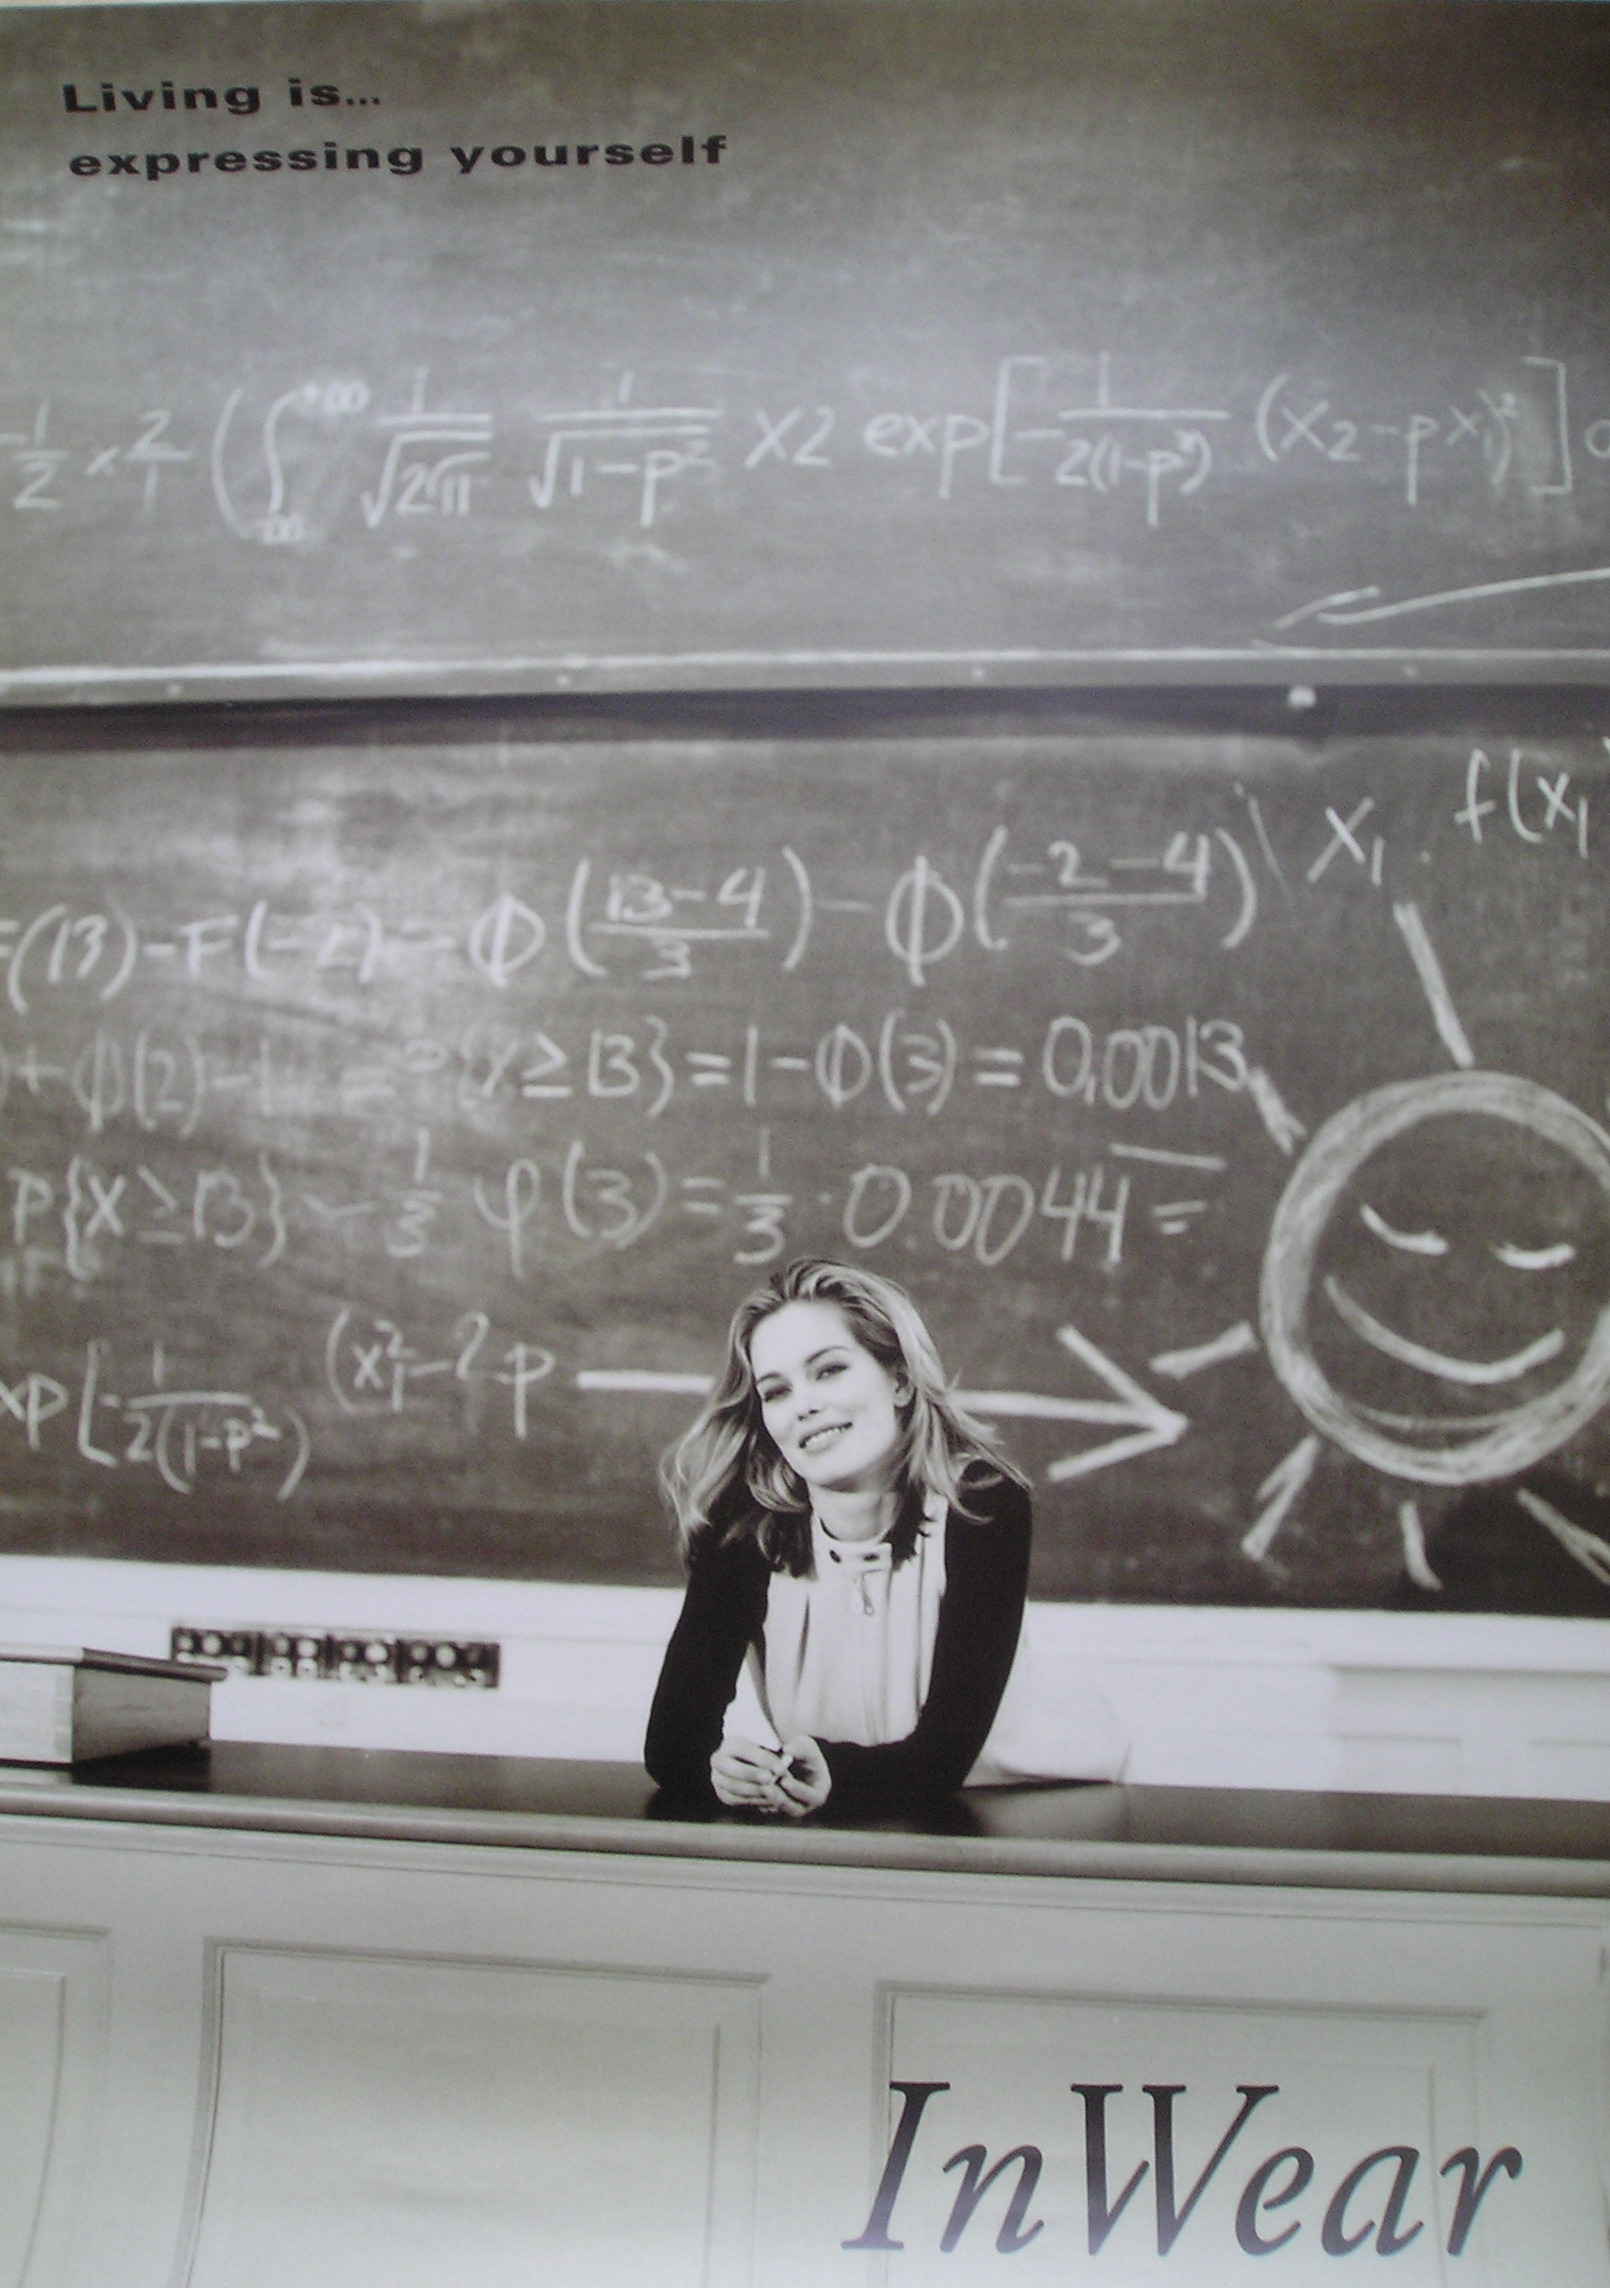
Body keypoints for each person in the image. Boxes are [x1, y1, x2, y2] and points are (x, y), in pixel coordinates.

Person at [644, 1256, 1033, 1817]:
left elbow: (941, 1759)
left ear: (900, 1379)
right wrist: (722, 1771)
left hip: (1021, 1802)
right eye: (776, 1391)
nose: (804, 1405)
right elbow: (672, 1744)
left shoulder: (981, 1504)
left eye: (828, 1370)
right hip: (854, 1815)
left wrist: (838, 1775)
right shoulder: (744, 1529)